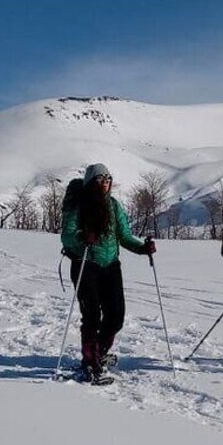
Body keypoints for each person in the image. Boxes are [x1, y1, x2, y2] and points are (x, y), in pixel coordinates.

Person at [61, 163, 156, 382]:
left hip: (111, 266)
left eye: (107, 180)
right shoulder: (78, 206)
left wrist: (143, 248)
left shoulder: (113, 205)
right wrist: (81, 238)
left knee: (116, 316)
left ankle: (99, 351)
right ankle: (90, 359)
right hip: (86, 263)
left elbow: (124, 236)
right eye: (100, 180)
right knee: (92, 315)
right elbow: (67, 235)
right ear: (91, 182)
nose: (105, 183)